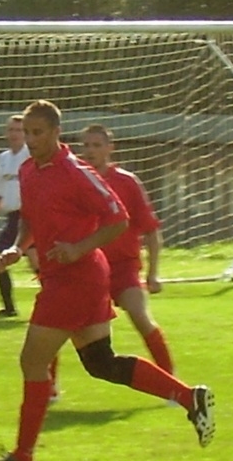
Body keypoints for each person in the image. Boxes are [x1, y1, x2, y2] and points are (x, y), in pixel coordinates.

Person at [0, 100, 214, 461]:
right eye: (27, 133)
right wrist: (19, 248)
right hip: (64, 278)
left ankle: (22, 454)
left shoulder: (75, 172)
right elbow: (29, 222)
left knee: (32, 363)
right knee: (101, 363)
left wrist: (79, 247)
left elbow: (119, 220)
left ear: (55, 132)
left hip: (77, 280)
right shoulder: (29, 171)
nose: (30, 140)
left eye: (37, 133)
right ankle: (191, 398)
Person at [81, 124, 173, 374]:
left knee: (141, 317)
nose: (90, 151)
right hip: (87, 269)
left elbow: (151, 230)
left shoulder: (126, 182)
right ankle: (50, 390)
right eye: (86, 145)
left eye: (97, 145)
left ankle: (173, 383)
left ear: (111, 148)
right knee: (59, 327)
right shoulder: (75, 180)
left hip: (123, 269)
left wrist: (153, 273)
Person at [0, 114, 39, 317]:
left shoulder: (31, 156)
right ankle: (9, 308)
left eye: (19, 130)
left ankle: (56, 302)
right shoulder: (4, 158)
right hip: (13, 218)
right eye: (12, 130)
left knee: (37, 264)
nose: (15, 134)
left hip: (31, 217)